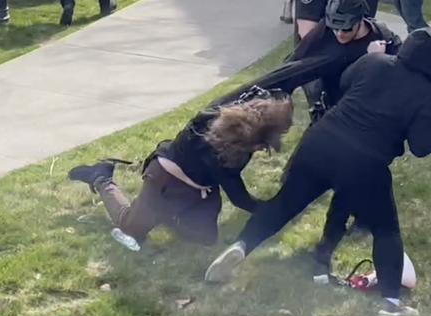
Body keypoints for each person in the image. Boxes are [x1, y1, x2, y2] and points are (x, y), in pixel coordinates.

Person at [204, 28, 431, 316]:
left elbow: (345, 83)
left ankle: (241, 245)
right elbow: (422, 147)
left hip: (321, 141)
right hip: (365, 163)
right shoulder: (426, 97)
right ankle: (391, 303)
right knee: (386, 230)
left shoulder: (375, 62)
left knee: (284, 204)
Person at [64, 86, 294, 248]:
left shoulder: (236, 115)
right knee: (130, 229)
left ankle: (170, 214)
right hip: (163, 180)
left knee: (205, 237)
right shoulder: (217, 149)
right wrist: (274, 211)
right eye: (264, 145)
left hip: (201, 185)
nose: (265, 149)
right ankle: (101, 176)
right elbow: (240, 199)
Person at [287, 0, 403, 273]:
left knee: (347, 189)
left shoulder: (384, 39)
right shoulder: (325, 33)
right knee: (299, 171)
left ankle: (324, 250)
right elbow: (296, 64)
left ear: (361, 19)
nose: (339, 34)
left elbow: (402, 80)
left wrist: (377, 59)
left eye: (345, 28)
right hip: (328, 118)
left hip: (362, 131)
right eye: (334, 27)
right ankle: (276, 215)